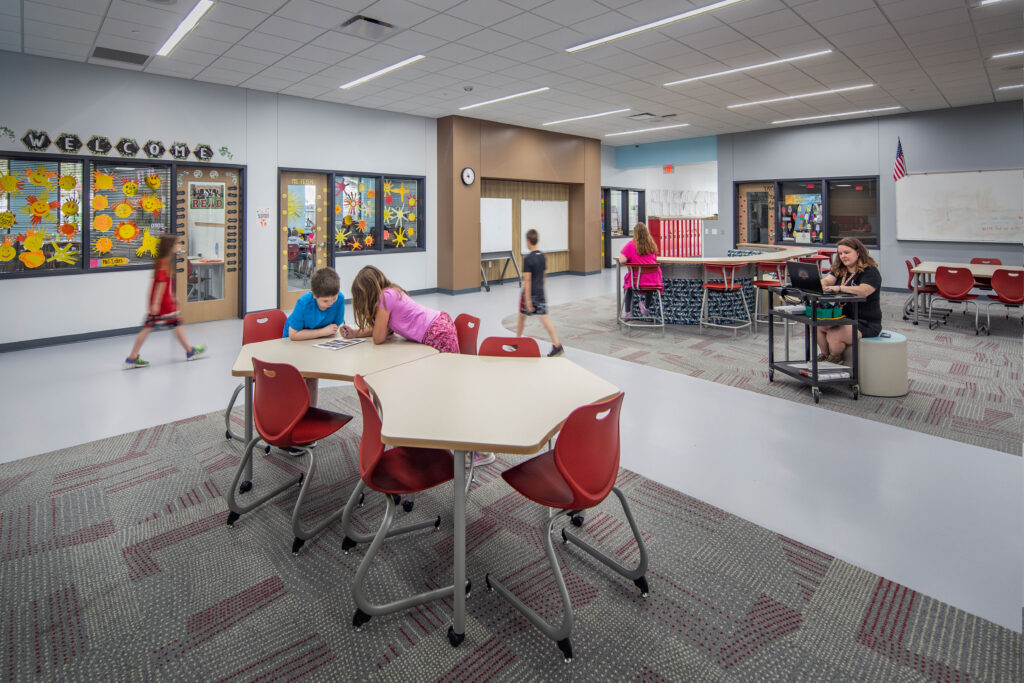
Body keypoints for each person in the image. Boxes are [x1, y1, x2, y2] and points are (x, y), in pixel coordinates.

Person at [124, 234, 206, 369]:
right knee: (170, 325)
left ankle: (133, 356)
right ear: (170, 247)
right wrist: (157, 304)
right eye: (177, 244)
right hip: (163, 303)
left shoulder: (163, 261)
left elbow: (162, 285)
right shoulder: (164, 264)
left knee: (168, 325)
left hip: (162, 300)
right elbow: (161, 285)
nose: (179, 246)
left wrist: (171, 297)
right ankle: (190, 351)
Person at [341, 265, 459, 354]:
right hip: (439, 323)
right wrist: (355, 333)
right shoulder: (392, 291)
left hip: (436, 331)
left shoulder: (385, 298)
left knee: (445, 368)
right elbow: (383, 330)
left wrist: (363, 332)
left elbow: (378, 338)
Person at [284, 265, 346, 407]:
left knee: (313, 377)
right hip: (295, 343)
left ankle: (311, 410)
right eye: (325, 301)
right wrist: (323, 332)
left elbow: (335, 327)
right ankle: (293, 411)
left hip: (318, 343)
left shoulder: (339, 299)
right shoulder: (304, 303)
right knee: (298, 378)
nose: (330, 304)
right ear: (314, 295)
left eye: (333, 299)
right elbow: (294, 335)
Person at [816, 237, 882, 363]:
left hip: (865, 322)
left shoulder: (871, 271)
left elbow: (864, 291)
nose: (843, 256)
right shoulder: (841, 270)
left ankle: (835, 358)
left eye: (847, 252)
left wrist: (840, 288)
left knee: (833, 334)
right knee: (816, 325)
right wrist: (822, 283)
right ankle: (825, 356)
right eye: (840, 253)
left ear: (858, 252)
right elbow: (828, 280)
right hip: (843, 317)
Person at [515, 229, 563, 357]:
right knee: (545, 319)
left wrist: (528, 300)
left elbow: (527, 279)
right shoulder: (542, 256)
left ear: (528, 241)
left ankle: (517, 342)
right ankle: (557, 345)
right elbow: (543, 276)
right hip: (541, 292)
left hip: (530, 294)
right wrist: (540, 289)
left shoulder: (528, 259)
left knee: (521, 317)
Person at [614, 221, 662, 319]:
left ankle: (628, 313)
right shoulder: (652, 245)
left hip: (637, 282)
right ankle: (646, 306)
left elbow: (622, 260)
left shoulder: (631, 245)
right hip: (654, 282)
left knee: (628, 285)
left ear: (635, 234)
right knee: (649, 282)